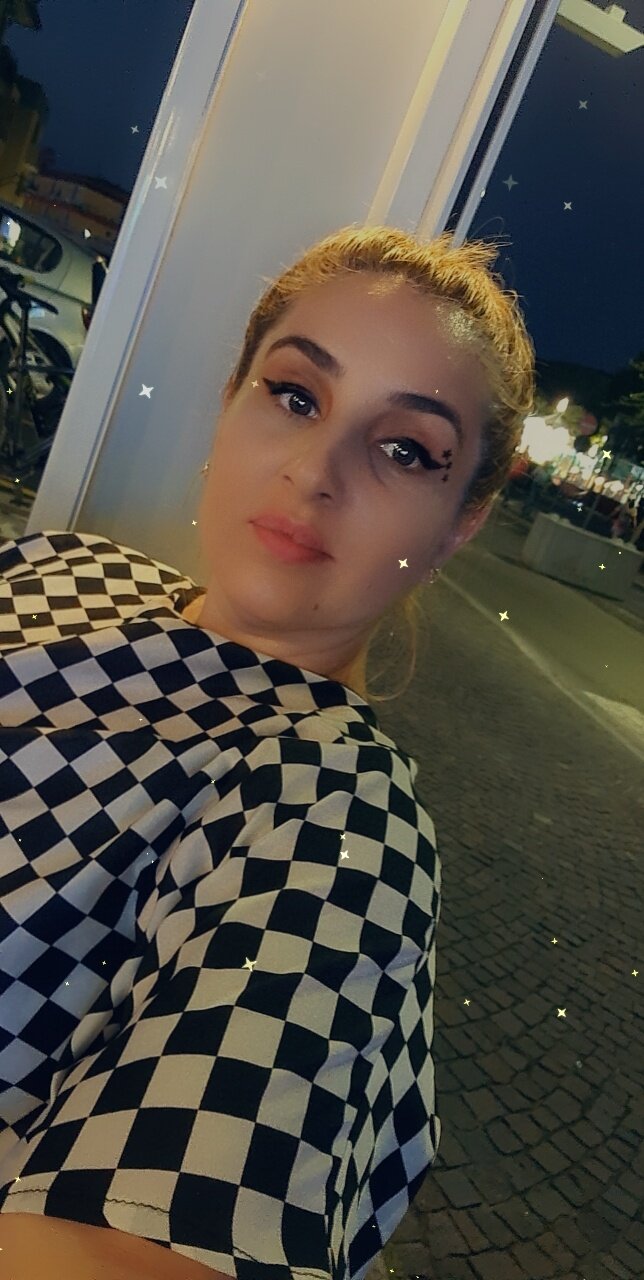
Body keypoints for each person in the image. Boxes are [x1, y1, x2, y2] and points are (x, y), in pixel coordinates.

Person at [0, 224, 535, 1280]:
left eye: (404, 450)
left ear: (460, 522)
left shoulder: (340, 825)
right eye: (294, 395)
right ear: (230, 396)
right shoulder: (64, 566)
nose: (312, 471)